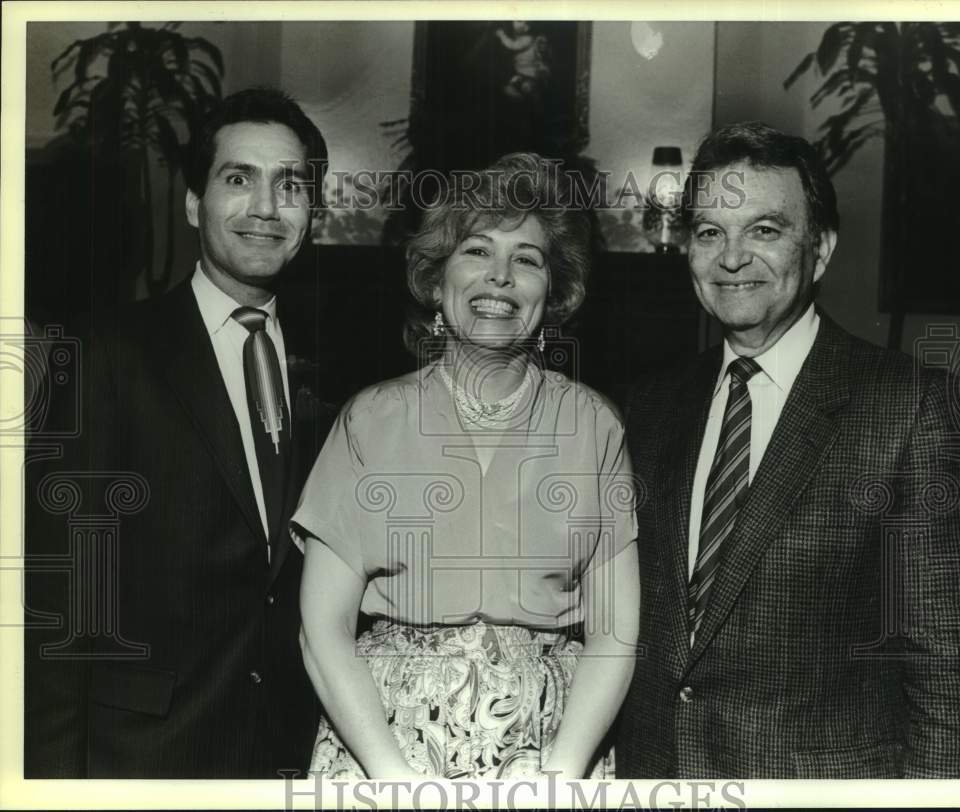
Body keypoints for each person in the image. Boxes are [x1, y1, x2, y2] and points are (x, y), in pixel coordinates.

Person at [616, 121, 960, 778]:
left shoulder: (910, 406)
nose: (731, 258)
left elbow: (948, 677)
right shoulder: (651, 404)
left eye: (765, 230)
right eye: (709, 233)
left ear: (822, 248)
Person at [292, 153, 639, 780]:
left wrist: (560, 776)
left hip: (551, 754)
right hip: (384, 749)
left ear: (553, 294)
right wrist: (391, 777)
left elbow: (615, 635)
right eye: (477, 251)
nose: (500, 278)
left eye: (527, 260)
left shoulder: (594, 426)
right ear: (436, 280)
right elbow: (322, 627)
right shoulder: (371, 420)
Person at [24, 87, 333, 778]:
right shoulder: (111, 352)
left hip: (285, 759)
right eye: (237, 179)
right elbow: (62, 591)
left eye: (291, 186)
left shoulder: (338, 370)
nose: (265, 208)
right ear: (194, 204)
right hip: (142, 759)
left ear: (313, 213)